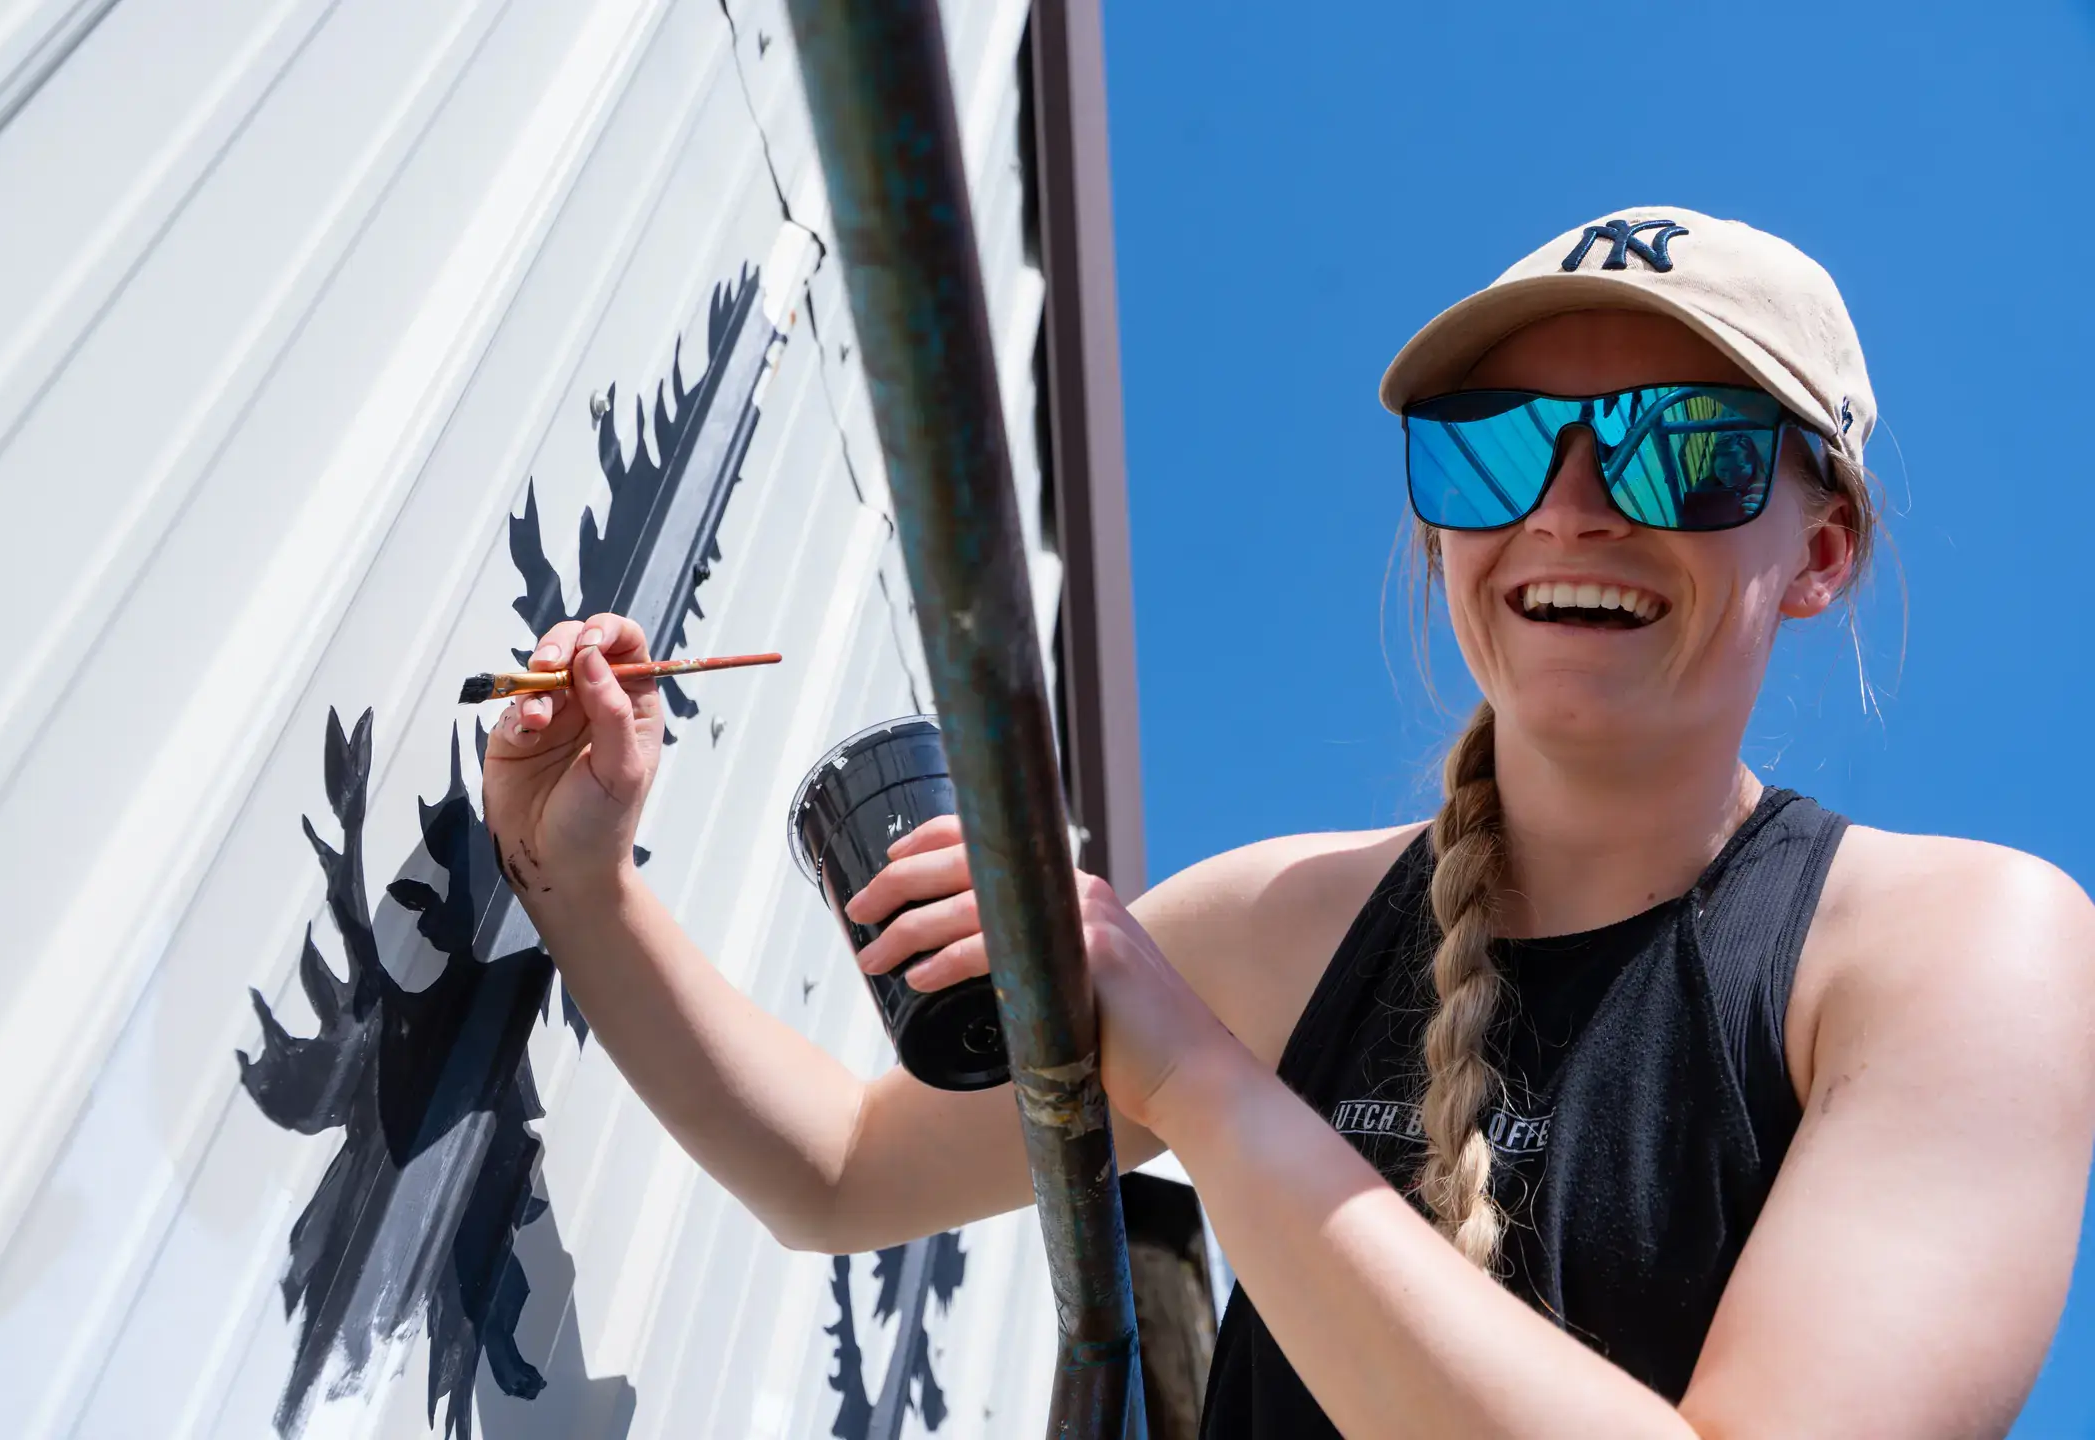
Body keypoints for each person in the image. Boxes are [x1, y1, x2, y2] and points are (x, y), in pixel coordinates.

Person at [479, 207, 2095, 1438]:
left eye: (1690, 449)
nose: (1570, 502)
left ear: (1821, 553)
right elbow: (838, 1173)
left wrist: (1190, 1073)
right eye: (1499, 441)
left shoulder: (1956, 951)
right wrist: (582, 880)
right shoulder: (1282, 924)